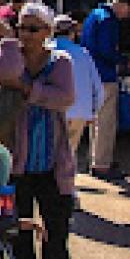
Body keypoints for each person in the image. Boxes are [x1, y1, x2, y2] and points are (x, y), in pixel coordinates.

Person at [0, 2, 78, 259]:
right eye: (21, 27)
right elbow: (3, 72)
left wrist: (29, 89)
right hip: (15, 159)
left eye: (33, 28)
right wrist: (8, 41)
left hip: (52, 158)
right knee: (16, 220)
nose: (25, 35)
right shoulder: (10, 54)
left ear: (48, 31)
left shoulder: (61, 61)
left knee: (57, 218)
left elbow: (66, 97)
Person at [80, 0, 130, 179]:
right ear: (121, 4)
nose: (128, 14)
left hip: (90, 74)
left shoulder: (94, 15)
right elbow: (106, 49)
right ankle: (102, 164)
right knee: (106, 122)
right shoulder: (108, 21)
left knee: (94, 121)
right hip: (104, 75)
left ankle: (95, 159)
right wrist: (122, 60)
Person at [53, 14, 104, 163]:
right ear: (72, 33)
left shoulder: (46, 52)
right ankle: (66, 183)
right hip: (79, 111)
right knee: (69, 153)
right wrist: (93, 112)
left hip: (52, 111)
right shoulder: (83, 53)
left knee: (51, 155)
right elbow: (98, 88)